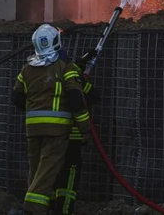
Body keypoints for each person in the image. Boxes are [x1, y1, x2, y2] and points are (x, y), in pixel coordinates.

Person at [12, 24, 91, 215]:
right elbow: (75, 100)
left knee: (36, 171)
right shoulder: (65, 67)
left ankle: (43, 207)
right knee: (46, 172)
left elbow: (16, 97)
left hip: (33, 130)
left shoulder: (27, 69)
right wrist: (85, 128)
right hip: (56, 132)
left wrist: (35, 109)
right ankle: (31, 209)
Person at [52, 49, 100, 215]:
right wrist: (79, 76)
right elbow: (92, 96)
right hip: (71, 139)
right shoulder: (72, 79)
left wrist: (78, 67)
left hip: (47, 139)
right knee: (68, 179)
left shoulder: (41, 77)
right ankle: (64, 211)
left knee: (49, 176)